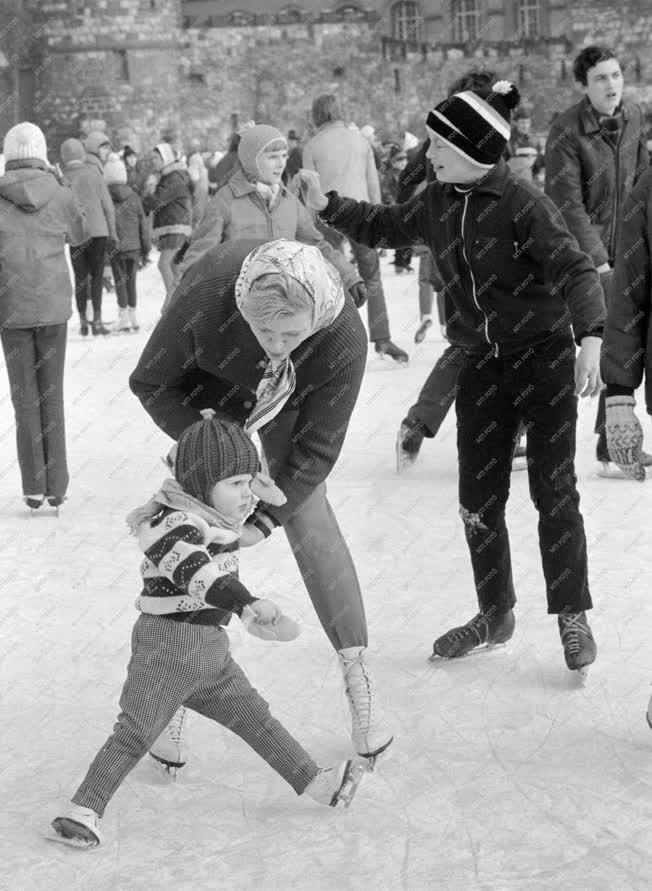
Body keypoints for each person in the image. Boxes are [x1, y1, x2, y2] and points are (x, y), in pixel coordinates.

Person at [300, 79, 606, 677]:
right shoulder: (438, 201)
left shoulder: (522, 202)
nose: (429, 155)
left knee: (554, 494)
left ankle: (572, 615)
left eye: (439, 145)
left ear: (469, 148)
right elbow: (385, 224)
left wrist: (590, 337)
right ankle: (495, 613)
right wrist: (326, 204)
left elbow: (575, 269)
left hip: (542, 359)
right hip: (481, 364)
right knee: (477, 501)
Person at [129, 238, 393, 771]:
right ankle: (175, 692)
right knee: (193, 530)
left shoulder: (341, 337)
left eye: (290, 333)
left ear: (316, 316)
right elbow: (150, 380)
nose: (275, 343)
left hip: (291, 406)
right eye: (263, 330)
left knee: (310, 519)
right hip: (212, 403)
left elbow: (318, 448)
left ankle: (357, 672)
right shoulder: (205, 297)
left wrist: (267, 517)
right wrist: (216, 453)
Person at [49, 415, 366, 848]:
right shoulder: (172, 524)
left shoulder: (213, 517)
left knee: (257, 720)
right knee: (134, 732)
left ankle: (317, 783)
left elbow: (237, 538)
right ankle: (82, 810)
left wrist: (265, 495)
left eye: (247, 481)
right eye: (234, 483)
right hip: (168, 646)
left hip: (209, 652)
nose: (245, 494)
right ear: (201, 482)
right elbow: (197, 573)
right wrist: (245, 603)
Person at [545, 44, 650, 477]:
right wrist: (600, 259)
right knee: (578, 343)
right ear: (584, 86)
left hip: (628, 245)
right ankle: (520, 432)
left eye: (616, 75)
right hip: (583, 253)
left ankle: (610, 444)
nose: (612, 85)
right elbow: (565, 202)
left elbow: (642, 175)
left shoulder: (635, 117)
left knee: (617, 338)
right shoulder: (565, 131)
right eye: (601, 78)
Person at [175, 124, 365, 308]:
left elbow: (316, 245)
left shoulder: (289, 202)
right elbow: (199, 254)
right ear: (252, 159)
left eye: (283, 156)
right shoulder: (226, 200)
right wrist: (176, 302)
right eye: (272, 157)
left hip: (285, 306)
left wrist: (349, 277)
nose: (281, 163)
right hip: (236, 308)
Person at [0, 123, 87, 510]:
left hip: (11, 304)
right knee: (52, 395)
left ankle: (33, 487)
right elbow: (81, 234)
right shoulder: (61, 193)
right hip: (53, 305)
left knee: (25, 399)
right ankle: (58, 485)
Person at [302, 94, 408, 364]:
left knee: (331, 279)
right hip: (360, 214)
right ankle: (382, 337)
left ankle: (336, 339)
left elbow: (309, 191)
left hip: (326, 215)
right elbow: (373, 184)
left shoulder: (312, 146)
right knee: (372, 278)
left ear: (316, 115)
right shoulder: (361, 142)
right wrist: (378, 220)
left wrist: (308, 226)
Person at [60, 137, 117, 336]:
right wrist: (113, 232)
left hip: (76, 233)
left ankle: (84, 321)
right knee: (97, 275)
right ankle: (98, 320)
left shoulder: (62, 177)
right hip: (99, 231)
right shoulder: (94, 173)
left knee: (80, 278)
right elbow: (108, 207)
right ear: (81, 154)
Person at [142, 142, 192, 310]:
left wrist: (149, 190)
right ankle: (181, 302)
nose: (153, 161)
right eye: (152, 158)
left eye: (156, 158)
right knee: (173, 266)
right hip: (173, 225)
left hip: (176, 225)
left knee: (164, 264)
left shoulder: (174, 177)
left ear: (166, 158)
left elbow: (157, 201)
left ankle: (172, 303)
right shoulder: (168, 176)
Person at [103, 155, 150, 332]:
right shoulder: (134, 197)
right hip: (134, 247)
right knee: (132, 282)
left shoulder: (105, 198)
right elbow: (143, 224)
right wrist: (145, 249)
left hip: (115, 247)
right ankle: (133, 317)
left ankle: (123, 318)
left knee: (120, 282)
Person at [504, 106, 542, 182]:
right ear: (516, 122)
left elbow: (538, 164)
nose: (525, 126)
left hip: (529, 183)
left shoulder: (535, 141)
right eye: (522, 123)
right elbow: (502, 165)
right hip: (510, 182)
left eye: (527, 122)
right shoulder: (508, 139)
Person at [186, 137, 210, 228]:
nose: (196, 148)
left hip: (201, 190)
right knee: (197, 218)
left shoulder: (196, 157)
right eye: (194, 146)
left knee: (199, 217)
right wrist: (194, 192)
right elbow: (194, 176)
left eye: (196, 146)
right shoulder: (195, 158)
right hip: (199, 190)